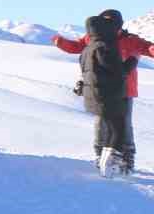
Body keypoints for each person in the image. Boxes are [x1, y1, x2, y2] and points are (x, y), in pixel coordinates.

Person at [54, 11, 151, 170]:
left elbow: (148, 48)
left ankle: (127, 160)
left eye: (110, 22)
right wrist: (60, 42)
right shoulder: (93, 38)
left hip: (125, 89)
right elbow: (77, 47)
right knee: (101, 124)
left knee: (124, 125)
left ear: (118, 24)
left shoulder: (130, 40)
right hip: (102, 89)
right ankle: (101, 156)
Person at [73, 11, 139, 177]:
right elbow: (118, 72)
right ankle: (111, 167)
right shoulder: (104, 47)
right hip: (109, 95)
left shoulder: (89, 47)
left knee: (106, 128)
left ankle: (104, 161)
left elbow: (87, 71)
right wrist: (132, 61)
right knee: (119, 129)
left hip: (96, 95)